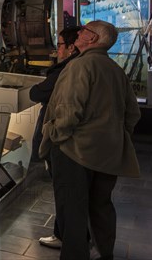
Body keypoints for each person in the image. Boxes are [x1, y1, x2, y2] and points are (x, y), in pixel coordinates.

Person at [39, 21, 141, 260]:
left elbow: (67, 113)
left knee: (73, 210)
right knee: (101, 207)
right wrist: (114, 136)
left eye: (84, 31)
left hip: (75, 152)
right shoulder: (115, 69)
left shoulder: (79, 66)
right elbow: (133, 114)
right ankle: (104, 254)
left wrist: (53, 134)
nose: (79, 33)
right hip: (109, 153)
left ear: (92, 39)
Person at [29, 26, 81, 249]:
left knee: (64, 189)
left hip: (63, 138)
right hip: (76, 141)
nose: (56, 50)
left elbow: (37, 93)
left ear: (71, 47)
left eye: (59, 45)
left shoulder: (67, 69)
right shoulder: (84, 65)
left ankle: (68, 239)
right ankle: (69, 235)